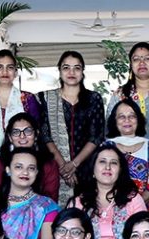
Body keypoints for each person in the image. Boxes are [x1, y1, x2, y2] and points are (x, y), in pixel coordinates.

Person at [38, 51, 106, 204]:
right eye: (66, 67)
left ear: (82, 72)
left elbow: (96, 136)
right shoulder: (46, 98)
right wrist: (64, 167)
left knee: (87, 210)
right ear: (59, 71)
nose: (71, 72)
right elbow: (45, 135)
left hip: (87, 167)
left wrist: (74, 164)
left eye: (77, 68)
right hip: (54, 168)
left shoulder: (94, 99)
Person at [70, 144, 148, 239]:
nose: (108, 167)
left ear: (120, 171)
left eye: (114, 163)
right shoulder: (78, 203)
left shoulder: (133, 200)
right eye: (102, 162)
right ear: (93, 170)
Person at [0, 49, 41, 156]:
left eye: (9, 67)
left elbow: (35, 130)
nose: (4, 72)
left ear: (15, 72)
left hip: (24, 158)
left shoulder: (28, 99)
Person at [0, 113, 61, 202]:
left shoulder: (49, 164)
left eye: (28, 131)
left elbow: (51, 200)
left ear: (36, 135)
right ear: (10, 137)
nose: (22, 136)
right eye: (16, 132)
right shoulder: (0, 164)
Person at [106, 99, 149, 202]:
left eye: (132, 116)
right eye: (121, 116)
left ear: (138, 119)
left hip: (143, 207)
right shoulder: (106, 146)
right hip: (111, 205)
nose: (127, 120)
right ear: (114, 120)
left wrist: (134, 206)